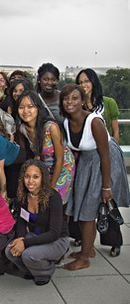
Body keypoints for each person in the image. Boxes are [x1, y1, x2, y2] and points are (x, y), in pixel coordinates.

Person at [61, 84, 130, 270]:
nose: (70, 102)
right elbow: (75, 150)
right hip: (86, 162)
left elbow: (105, 155)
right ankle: (88, 249)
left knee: (88, 210)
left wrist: (106, 187)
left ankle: (84, 258)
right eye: (66, 98)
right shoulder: (66, 122)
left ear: (83, 101)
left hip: (104, 162)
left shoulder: (94, 121)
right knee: (82, 207)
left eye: (75, 98)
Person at [5, 160, 70, 285]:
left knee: (28, 255)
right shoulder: (23, 195)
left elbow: (54, 234)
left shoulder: (53, 197)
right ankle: (32, 270)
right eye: (27, 176)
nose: (30, 181)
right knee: (10, 251)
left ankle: (45, 272)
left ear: (42, 178)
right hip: (37, 237)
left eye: (35, 177)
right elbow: (21, 221)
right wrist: (20, 238)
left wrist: (25, 243)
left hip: (58, 240)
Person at [15, 90, 74, 205]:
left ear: (38, 108)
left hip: (63, 168)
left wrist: (50, 188)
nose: (25, 111)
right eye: (21, 107)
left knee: (53, 202)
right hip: (43, 168)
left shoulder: (51, 127)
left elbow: (60, 159)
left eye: (30, 107)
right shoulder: (22, 129)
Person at [76, 68, 120, 143]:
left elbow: (115, 132)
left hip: (107, 148)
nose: (83, 85)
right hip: (86, 149)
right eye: (80, 83)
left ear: (94, 82)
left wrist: (114, 150)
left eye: (87, 81)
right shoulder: (77, 106)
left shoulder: (109, 103)